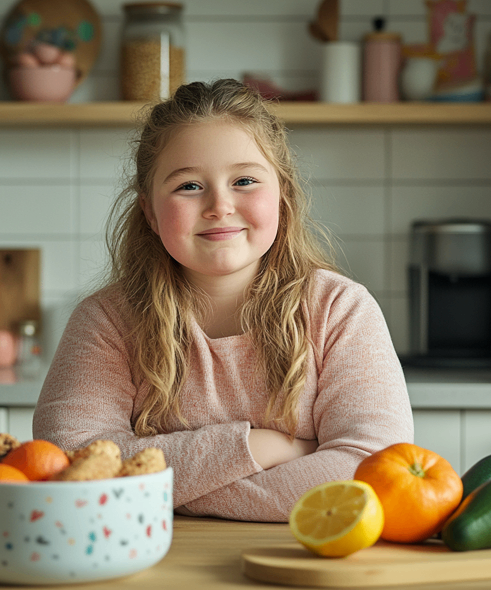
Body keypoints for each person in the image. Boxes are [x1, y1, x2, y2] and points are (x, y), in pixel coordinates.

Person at [34, 79, 412, 522]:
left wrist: (167, 489)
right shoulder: (107, 321)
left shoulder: (341, 310)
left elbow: (376, 474)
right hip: (148, 572)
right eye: (189, 186)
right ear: (150, 212)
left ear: (283, 196)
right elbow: (72, 460)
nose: (219, 205)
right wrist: (261, 447)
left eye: (245, 180)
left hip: (306, 567)